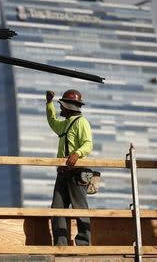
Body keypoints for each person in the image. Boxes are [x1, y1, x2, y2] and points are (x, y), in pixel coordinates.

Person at [46, 89, 93, 246]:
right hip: (63, 172)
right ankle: (61, 244)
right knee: (57, 208)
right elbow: (52, 121)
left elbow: (88, 144)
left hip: (77, 172)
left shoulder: (82, 122)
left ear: (69, 107)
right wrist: (49, 104)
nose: (61, 108)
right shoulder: (65, 124)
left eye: (62, 105)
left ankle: (83, 244)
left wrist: (77, 154)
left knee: (80, 208)